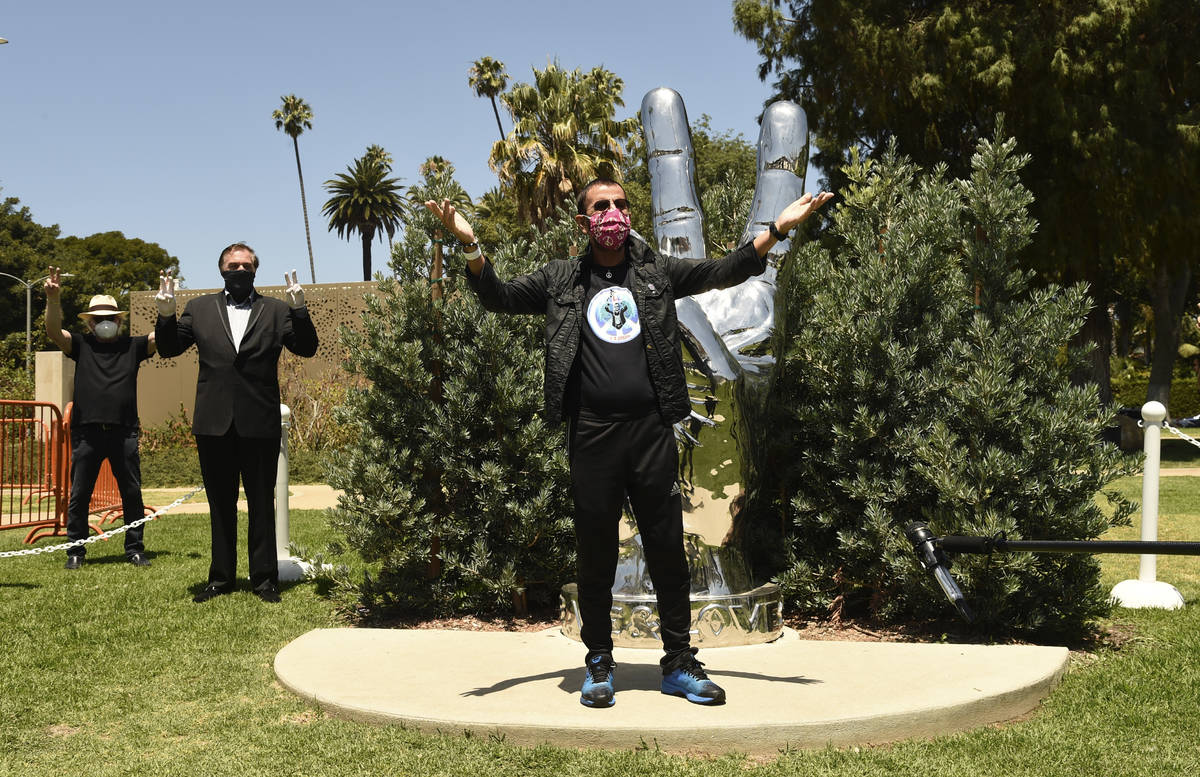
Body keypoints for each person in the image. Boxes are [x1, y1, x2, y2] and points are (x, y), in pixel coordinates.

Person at [425, 180, 832, 707]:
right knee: (596, 551)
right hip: (592, 432)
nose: (613, 213)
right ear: (583, 221)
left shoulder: (655, 272)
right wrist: (470, 245)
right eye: (601, 206)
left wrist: (778, 229)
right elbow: (498, 296)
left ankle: (680, 662)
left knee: (666, 549)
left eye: (620, 205)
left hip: (650, 431)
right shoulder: (561, 279)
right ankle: (598, 661)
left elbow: (721, 271)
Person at [154, 243, 318, 603]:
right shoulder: (198, 309)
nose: (240, 271)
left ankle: (264, 580)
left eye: (246, 266)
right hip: (213, 422)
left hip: (259, 421)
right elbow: (168, 349)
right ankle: (220, 578)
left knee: (262, 502)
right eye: (233, 265)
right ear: (221, 270)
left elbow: (306, 348)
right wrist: (166, 314)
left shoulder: (276, 311)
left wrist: (300, 309)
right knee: (220, 504)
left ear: (256, 270)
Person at [45, 271, 157, 569]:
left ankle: (134, 548)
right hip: (86, 434)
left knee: (132, 494)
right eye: (97, 319)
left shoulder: (133, 346)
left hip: (124, 433)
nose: (104, 322)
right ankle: (75, 551)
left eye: (110, 317)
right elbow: (54, 331)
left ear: (120, 320)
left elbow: (163, 336)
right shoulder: (80, 345)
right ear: (89, 323)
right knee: (80, 495)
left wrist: (167, 307)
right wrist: (53, 300)